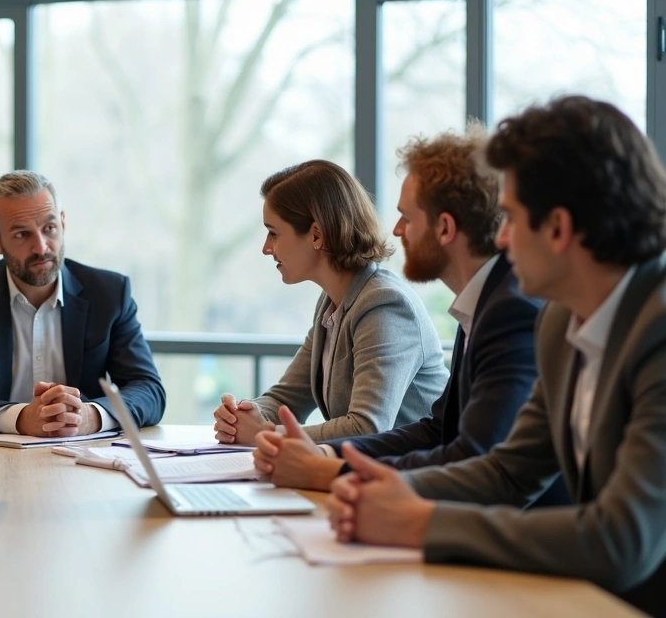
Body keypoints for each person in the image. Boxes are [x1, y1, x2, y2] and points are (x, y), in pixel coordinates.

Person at [324, 96, 666, 615]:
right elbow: (508, 472)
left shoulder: (657, 329)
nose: (500, 237)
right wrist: (383, 489)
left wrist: (419, 522)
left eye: (509, 217)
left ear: (558, 227)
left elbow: (621, 541)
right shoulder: (557, 323)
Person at [252, 127, 565, 507]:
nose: (397, 231)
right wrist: (325, 456)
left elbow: (473, 455)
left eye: (407, 218)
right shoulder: (483, 304)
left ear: (445, 228)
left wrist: (327, 469)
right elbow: (438, 431)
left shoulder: (507, 309)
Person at [213, 160, 448, 443]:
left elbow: (367, 427)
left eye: (274, 233)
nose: (266, 248)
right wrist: (242, 415)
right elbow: (285, 400)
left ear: (316, 234)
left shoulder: (385, 305)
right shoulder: (332, 303)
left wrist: (265, 433)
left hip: (414, 477)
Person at [0, 170, 165, 435]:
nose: (41, 247)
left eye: (49, 228)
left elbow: (148, 389)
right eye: (22, 234)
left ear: (63, 223)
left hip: (83, 459)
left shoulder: (109, 293)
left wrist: (91, 416)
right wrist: (21, 418)